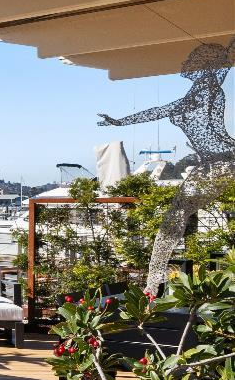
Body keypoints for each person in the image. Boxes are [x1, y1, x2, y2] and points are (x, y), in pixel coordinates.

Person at [99, 37, 235, 289]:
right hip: (218, 163)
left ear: (203, 64)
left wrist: (120, 122)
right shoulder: (205, 89)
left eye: (191, 59)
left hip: (220, 163)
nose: (184, 63)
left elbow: (161, 110)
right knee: (176, 218)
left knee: (174, 219)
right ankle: (153, 284)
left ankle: (152, 287)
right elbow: (164, 109)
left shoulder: (206, 88)